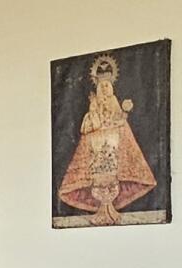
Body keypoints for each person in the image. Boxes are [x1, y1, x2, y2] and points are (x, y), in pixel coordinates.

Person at [57, 51, 158, 220]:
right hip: (96, 144)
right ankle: (102, 209)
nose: (104, 89)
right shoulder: (95, 103)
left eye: (107, 85)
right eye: (101, 85)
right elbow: (92, 122)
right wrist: (94, 112)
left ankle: (110, 208)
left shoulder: (113, 101)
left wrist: (123, 113)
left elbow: (118, 119)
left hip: (112, 143)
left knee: (112, 177)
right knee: (98, 180)